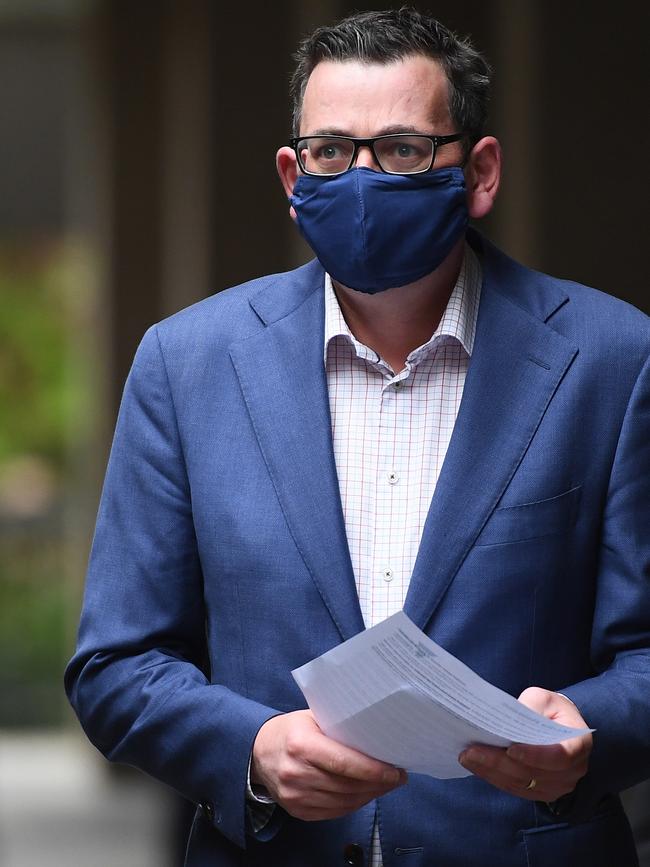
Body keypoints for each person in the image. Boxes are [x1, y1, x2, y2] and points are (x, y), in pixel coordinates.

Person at [65, 7, 650, 866]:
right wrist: (254, 749)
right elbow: (116, 663)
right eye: (333, 152)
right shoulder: (186, 363)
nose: (363, 179)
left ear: (478, 172)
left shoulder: (614, 360)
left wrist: (592, 729)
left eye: (404, 150)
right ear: (293, 176)